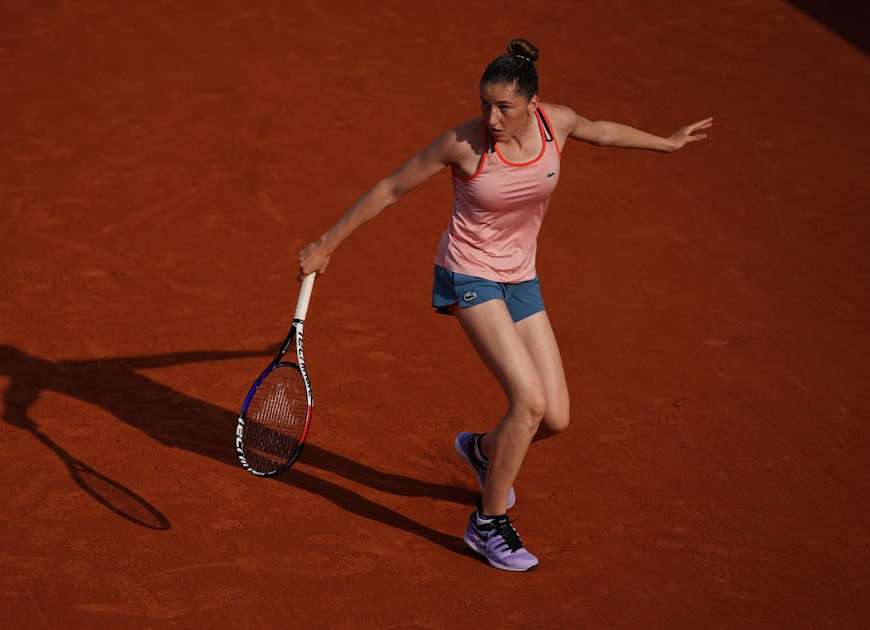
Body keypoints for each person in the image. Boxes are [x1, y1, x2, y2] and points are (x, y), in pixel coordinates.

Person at [297, 38, 711, 571]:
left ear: (533, 105)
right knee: (529, 402)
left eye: (504, 107)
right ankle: (487, 524)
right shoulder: (462, 145)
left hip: (521, 278)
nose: (491, 117)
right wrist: (326, 243)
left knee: (555, 418)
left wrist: (667, 144)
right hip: (469, 275)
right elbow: (390, 188)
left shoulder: (556, 124)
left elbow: (601, 131)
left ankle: (483, 451)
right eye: (484, 104)